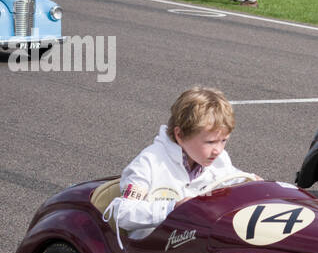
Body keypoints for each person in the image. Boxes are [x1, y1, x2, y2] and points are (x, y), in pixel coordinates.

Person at [104, 87, 257, 239]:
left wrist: (253, 184)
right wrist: (172, 208)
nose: (218, 150)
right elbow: (122, 213)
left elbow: (234, 178)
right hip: (152, 251)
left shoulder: (219, 159)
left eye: (223, 140)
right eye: (210, 142)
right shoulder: (149, 163)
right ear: (180, 135)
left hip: (196, 243)